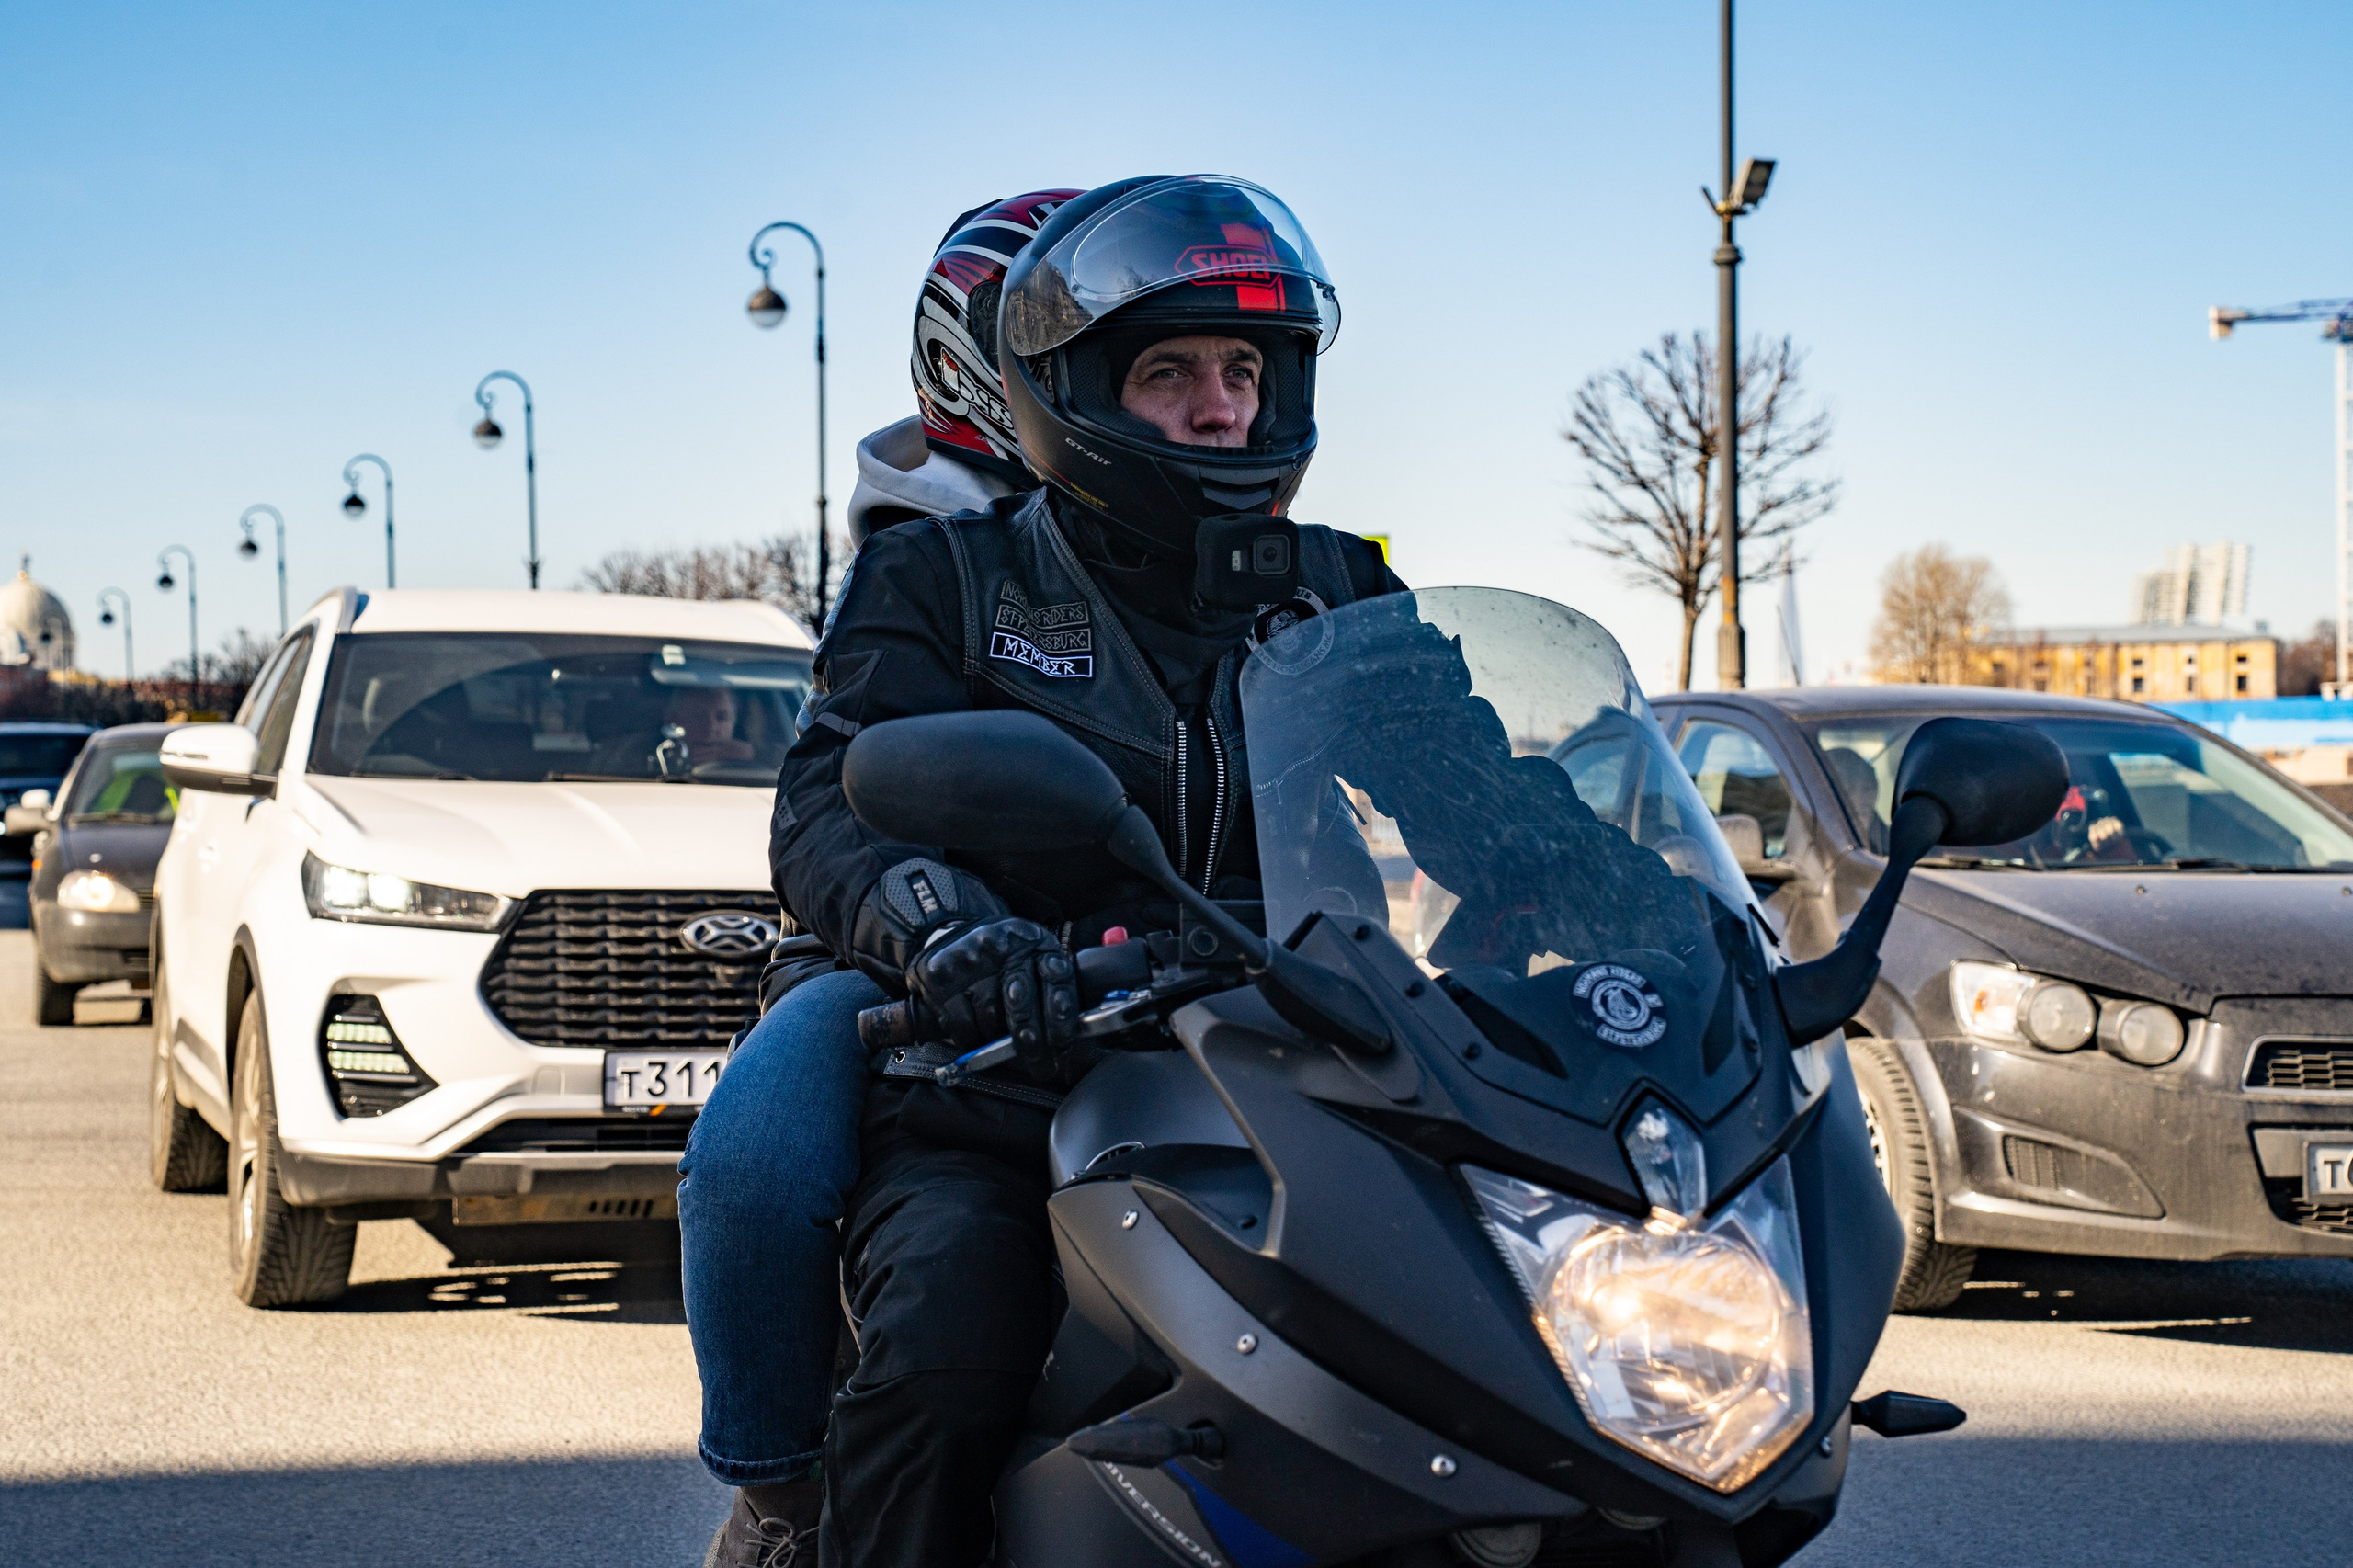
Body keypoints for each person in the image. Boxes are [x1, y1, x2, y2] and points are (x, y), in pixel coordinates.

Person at [767, 174, 1401, 1568]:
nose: (1222, 405)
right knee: (941, 1349)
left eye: (1244, 367)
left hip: (1317, 1088)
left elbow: (1485, 794)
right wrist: (949, 935)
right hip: (1008, 1092)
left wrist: (1614, 908)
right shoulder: (944, 578)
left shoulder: (1342, 592)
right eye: (1172, 371)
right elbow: (833, 802)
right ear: (1077, 393)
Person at [682, 188, 1082, 1568]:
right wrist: (934, 919)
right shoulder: (923, 552)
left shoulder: (1206, 549)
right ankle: (781, 1493)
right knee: (752, 1160)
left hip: (1135, 965)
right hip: (895, 951)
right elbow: (833, 792)